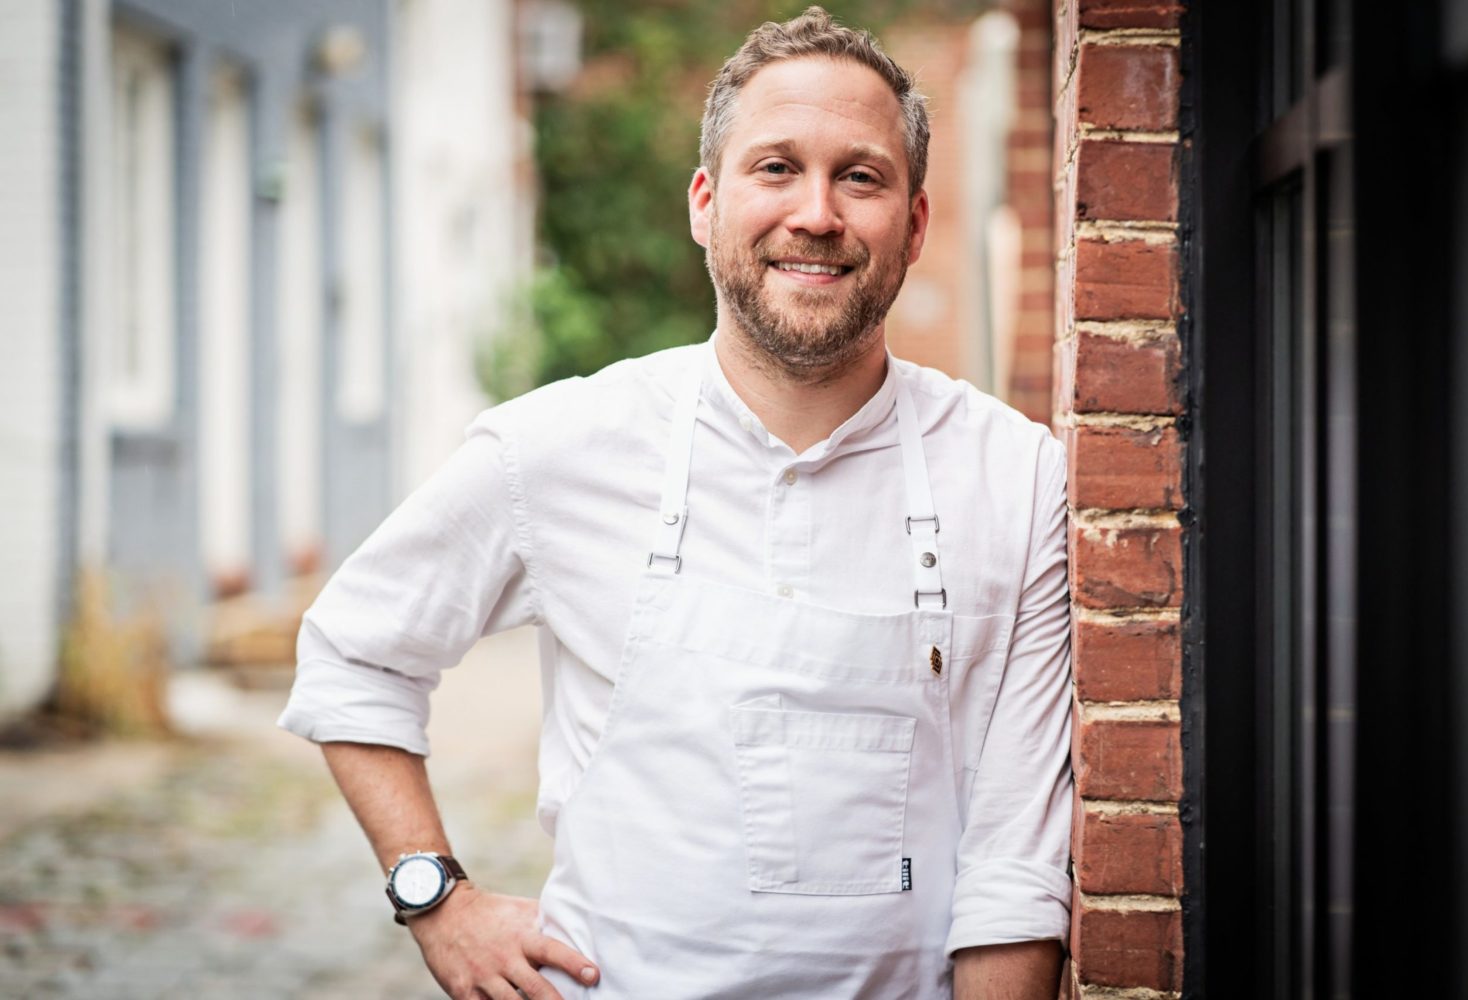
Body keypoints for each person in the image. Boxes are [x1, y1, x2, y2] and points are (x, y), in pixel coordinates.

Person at [278, 7, 1073, 998]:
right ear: (706, 202)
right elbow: (355, 652)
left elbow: (1014, 860)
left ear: (914, 223)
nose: (816, 213)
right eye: (775, 167)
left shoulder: (1017, 476)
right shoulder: (557, 447)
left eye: (859, 176)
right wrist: (436, 898)